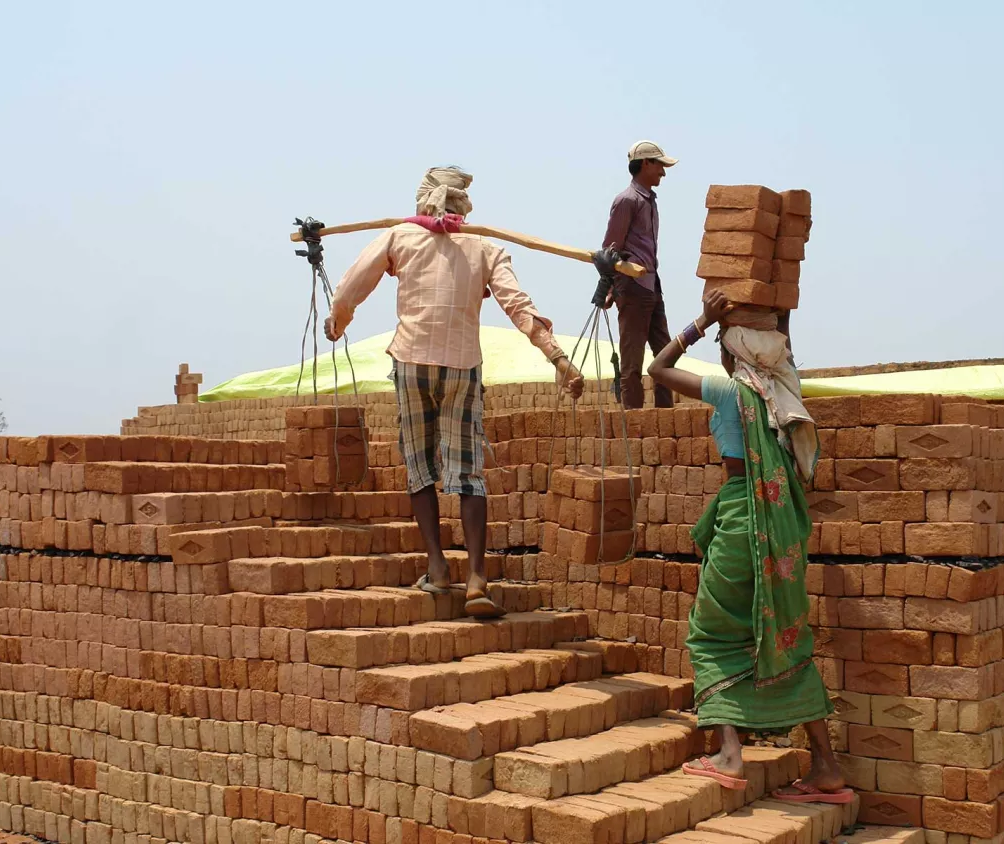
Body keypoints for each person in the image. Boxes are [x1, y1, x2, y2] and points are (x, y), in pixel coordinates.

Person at [324, 166, 584, 619]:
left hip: (411, 362)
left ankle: (438, 567)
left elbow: (351, 286)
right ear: (464, 202)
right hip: (462, 366)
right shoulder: (484, 246)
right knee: (468, 471)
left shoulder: (399, 236)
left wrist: (338, 322)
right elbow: (517, 305)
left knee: (419, 464)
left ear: (423, 198)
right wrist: (557, 357)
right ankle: (478, 578)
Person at [647, 290, 851, 805]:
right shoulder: (787, 392)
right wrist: (777, 313)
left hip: (743, 520)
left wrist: (699, 322)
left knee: (710, 633)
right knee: (785, 634)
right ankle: (825, 765)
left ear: (731, 350)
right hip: (781, 527)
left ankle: (729, 753)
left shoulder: (727, 390)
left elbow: (658, 369)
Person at [602, 140, 677, 409]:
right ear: (645, 164)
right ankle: (634, 423)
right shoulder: (627, 201)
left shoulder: (650, 201)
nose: (663, 173)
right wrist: (609, 287)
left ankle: (665, 417)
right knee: (632, 360)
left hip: (651, 285)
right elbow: (610, 249)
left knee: (666, 354)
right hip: (632, 286)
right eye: (660, 166)